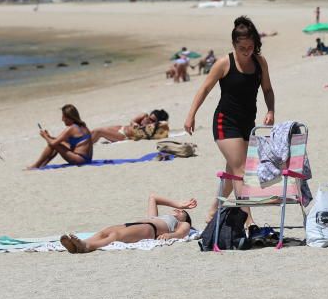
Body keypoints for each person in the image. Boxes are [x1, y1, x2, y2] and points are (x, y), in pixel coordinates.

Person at [184, 16, 275, 223]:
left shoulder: (260, 63)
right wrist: (191, 115)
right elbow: (205, 88)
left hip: (247, 124)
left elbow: (268, 89)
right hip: (225, 122)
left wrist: (271, 109)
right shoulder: (224, 63)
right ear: (234, 44)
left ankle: (215, 209)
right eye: (242, 47)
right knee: (241, 169)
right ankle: (247, 218)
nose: (247, 51)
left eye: (250, 46)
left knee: (233, 169)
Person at [60, 194, 196, 253]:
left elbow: (181, 233)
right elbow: (153, 197)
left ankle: (86, 246)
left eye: (182, 211)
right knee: (105, 231)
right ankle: (76, 245)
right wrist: (179, 203)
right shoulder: (156, 217)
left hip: (150, 229)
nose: (179, 210)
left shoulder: (182, 223)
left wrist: (170, 236)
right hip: (138, 225)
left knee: (115, 235)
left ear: (185, 218)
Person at [27, 104, 93, 169]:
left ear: (69, 117)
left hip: (79, 160)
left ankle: (36, 165)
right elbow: (59, 140)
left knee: (53, 145)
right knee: (57, 143)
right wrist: (49, 137)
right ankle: (43, 164)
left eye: (63, 117)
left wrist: (44, 136)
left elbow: (53, 143)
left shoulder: (71, 128)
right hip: (86, 159)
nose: (62, 119)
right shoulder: (83, 127)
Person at [90, 109, 170, 144]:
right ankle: (80, 142)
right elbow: (132, 121)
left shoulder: (153, 127)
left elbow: (164, 125)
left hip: (123, 135)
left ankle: (84, 146)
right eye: (149, 118)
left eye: (152, 121)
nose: (149, 120)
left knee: (98, 131)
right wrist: (134, 123)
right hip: (121, 128)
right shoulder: (144, 116)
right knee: (93, 131)